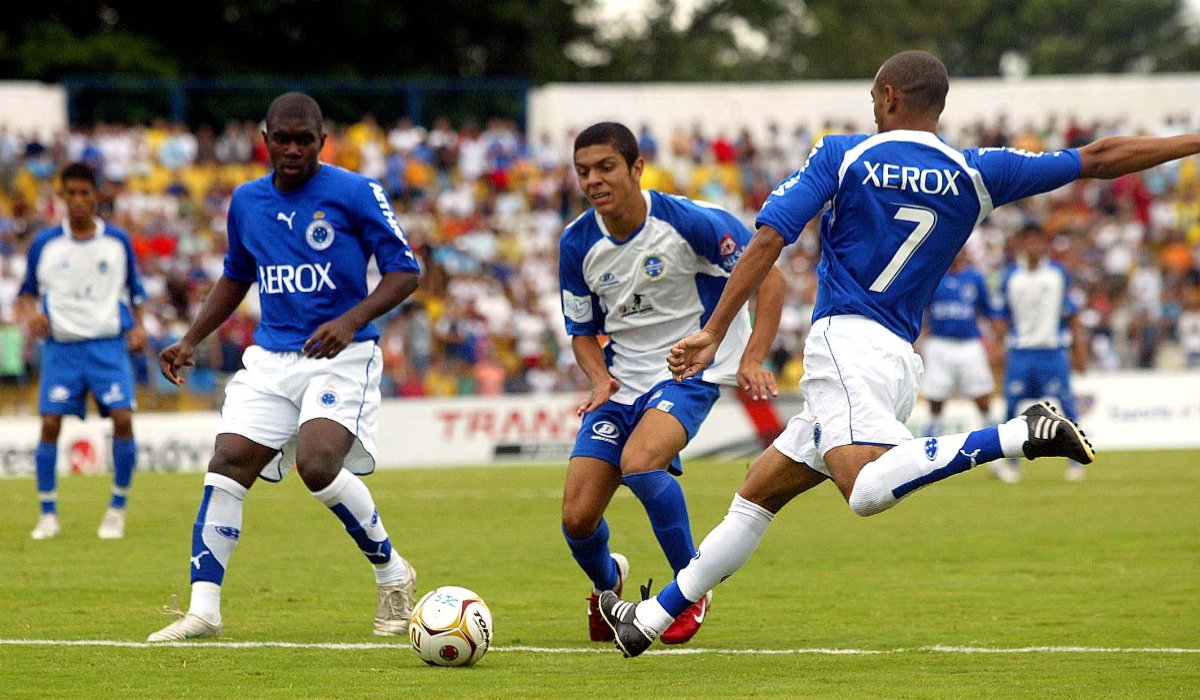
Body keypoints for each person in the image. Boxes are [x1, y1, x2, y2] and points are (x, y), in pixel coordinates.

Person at [599, 50, 1200, 657]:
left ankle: (1019, 434)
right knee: (759, 490)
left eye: (872, 99)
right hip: (895, 359)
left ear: (889, 96)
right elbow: (1098, 159)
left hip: (845, 342)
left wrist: (713, 328)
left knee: (862, 491)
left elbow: (771, 236)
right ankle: (652, 618)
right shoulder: (975, 171)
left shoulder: (843, 155)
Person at [147, 92, 421, 641]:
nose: (293, 148)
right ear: (264, 138)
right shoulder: (247, 200)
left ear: (323, 140)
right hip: (271, 359)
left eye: (304, 139)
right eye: (282, 138)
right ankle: (204, 611)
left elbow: (404, 270)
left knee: (318, 465)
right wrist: (191, 339)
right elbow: (235, 275)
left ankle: (393, 572)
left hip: (340, 357)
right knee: (227, 461)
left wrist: (350, 320)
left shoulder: (356, 191)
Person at [559, 122, 785, 645]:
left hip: (688, 370)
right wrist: (597, 378)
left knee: (641, 463)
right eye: (583, 171)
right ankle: (607, 585)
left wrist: (752, 355)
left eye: (605, 167)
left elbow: (770, 277)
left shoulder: (691, 222)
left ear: (637, 168)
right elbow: (581, 331)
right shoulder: (576, 244)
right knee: (577, 518)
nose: (593, 180)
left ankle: (690, 585)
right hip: (621, 384)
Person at [17, 162, 146, 540]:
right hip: (62, 348)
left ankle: (116, 510)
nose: (77, 201)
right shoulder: (45, 244)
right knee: (50, 424)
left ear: (96, 196)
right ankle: (47, 514)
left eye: (84, 193)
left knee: (123, 419)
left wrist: (138, 327)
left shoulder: (117, 242)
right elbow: (25, 294)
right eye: (70, 193)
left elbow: (135, 293)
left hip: (107, 345)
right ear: (61, 196)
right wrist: (32, 316)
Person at [993, 223, 1089, 482]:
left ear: (1044, 245)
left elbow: (1071, 313)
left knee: (1066, 406)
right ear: (1023, 245)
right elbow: (1001, 315)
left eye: (1038, 242)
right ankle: (1010, 464)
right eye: (1029, 242)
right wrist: (999, 344)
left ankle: (1076, 461)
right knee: (1011, 408)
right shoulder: (1011, 276)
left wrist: (1080, 352)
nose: (1033, 247)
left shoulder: (1058, 274)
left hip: (1052, 351)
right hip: (1021, 352)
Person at [918, 247, 1000, 439]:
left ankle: (996, 448)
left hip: (969, 344)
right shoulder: (934, 276)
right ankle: (930, 439)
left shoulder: (976, 279)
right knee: (936, 398)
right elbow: (920, 310)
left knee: (982, 398)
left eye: (961, 250)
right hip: (939, 343)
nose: (956, 254)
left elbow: (988, 311)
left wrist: (997, 341)